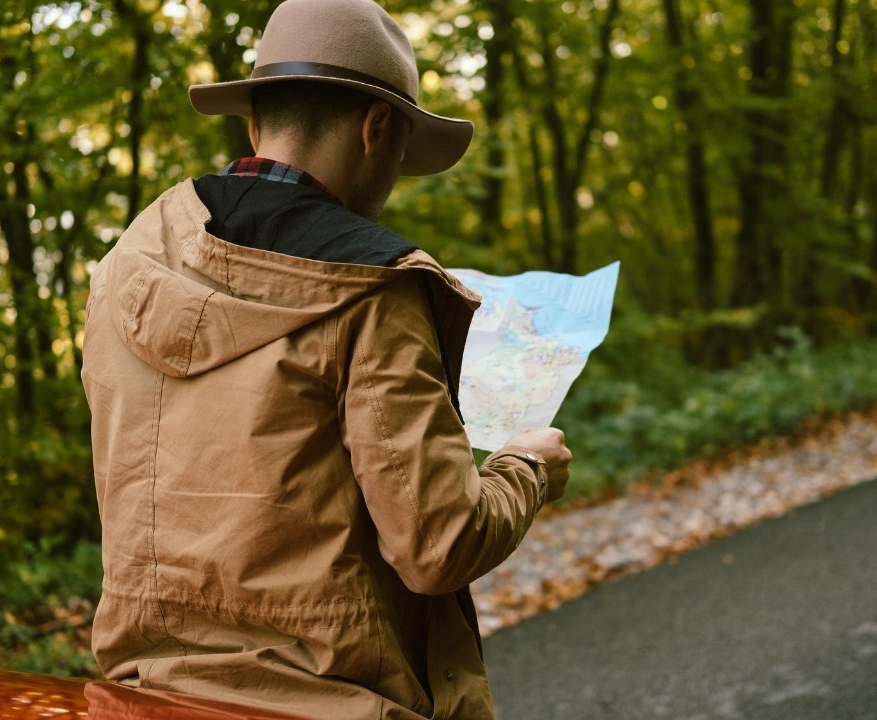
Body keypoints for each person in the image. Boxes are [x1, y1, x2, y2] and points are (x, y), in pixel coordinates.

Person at [80, 0, 572, 717]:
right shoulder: (374, 288)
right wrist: (524, 470)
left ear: (254, 125)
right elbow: (439, 544)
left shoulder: (128, 263)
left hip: (142, 699)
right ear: (377, 130)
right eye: (401, 154)